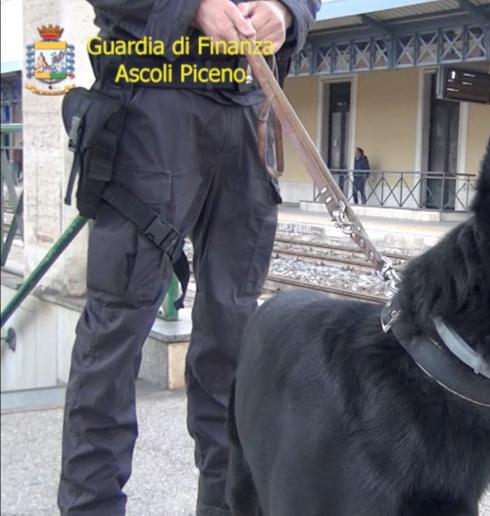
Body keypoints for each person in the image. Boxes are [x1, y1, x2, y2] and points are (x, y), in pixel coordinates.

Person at [57, 1, 319, 515]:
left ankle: (226, 507)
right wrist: (192, 7)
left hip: (250, 107)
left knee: (233, 335)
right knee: (115, 332)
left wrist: (286, 11)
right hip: (150, 96)